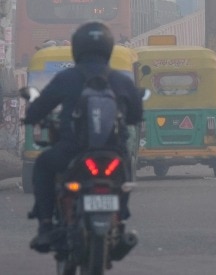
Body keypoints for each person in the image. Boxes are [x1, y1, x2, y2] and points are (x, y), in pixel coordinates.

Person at [23, 22, 144, 251]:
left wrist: (31, 117)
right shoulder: (121, 80)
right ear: (108, 48)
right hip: (113, 151)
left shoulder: (67, 78)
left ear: (77, 48)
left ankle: (46, 226)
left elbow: (38, 109)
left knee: (43, 165)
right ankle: (120, 223)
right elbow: (136, 116)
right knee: (124, 179)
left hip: (73, 149)